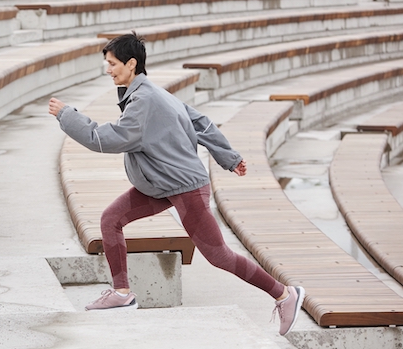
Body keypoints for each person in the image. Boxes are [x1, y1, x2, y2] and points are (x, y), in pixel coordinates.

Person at [48, 32, 305, 336]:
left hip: (184, 187)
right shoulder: (152, 92)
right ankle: (121, 293)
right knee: (110, 219)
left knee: (218, 255)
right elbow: (200, 122)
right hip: (163, 183)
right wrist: (229, 157)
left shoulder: (143, 100)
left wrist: (67, 115)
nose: (108, 69)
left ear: (131, 64)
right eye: (107, 63)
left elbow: (105, 138)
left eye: (112, 63)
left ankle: (285, 294)